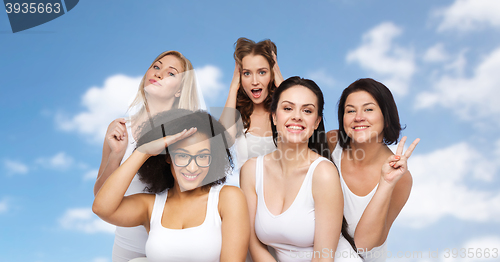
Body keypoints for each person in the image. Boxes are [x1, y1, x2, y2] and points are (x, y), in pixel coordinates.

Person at [93, 109, 250, 262]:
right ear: (168, 157)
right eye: (182, 155)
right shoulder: (151, 206)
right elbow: (101, 208)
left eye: (202, 156)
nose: (192, 167)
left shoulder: (228, 197)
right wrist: (143, 152)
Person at [93, 50, 203, 262]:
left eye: (171, 73)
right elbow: (100, 196)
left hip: (169, 246)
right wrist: (116, 156)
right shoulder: (120, 129)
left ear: (180, 90)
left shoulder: (183, 133)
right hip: (125, 245)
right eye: (156, 66)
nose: (159, 73)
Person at [241, 77, 361, 262]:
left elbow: (323, 258)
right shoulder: (251, 170)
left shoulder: (323, 173)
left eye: (307, 110)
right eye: (288, 108)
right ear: (274, 116)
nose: (297, 116)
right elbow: (254, 244)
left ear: (316, 122)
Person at [327, 78, 420, 262]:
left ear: (386, 117)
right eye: (350, 110)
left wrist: (386, 183)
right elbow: (296, 120)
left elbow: (364, 244)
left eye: (368, 109)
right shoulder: (331, 142)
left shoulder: (400, 178)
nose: (358, 117)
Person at [222, 37, 284, 187]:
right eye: (247, 73)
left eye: (262, 72)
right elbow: (223, 140)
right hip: (247, 203)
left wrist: (281, 81)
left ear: (272, 75)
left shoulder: (283, 114)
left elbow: (299, 121)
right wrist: (233, 87)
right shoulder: (238, 115)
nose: (254, 81)